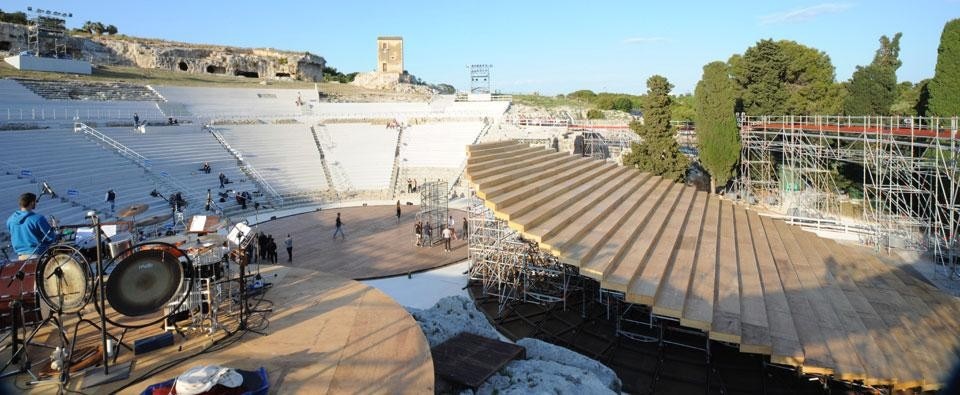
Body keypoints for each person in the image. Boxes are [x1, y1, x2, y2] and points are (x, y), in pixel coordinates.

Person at [7, 193, 57, 260]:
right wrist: (53, 230)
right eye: (35, 201)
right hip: (37, 255)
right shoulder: (38, 218)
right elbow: (50, 238)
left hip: (20, 256)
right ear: (32, 203)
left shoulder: (10, 220)